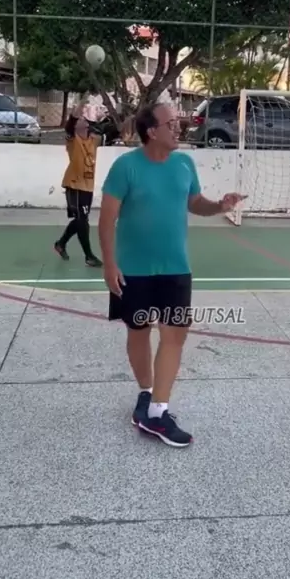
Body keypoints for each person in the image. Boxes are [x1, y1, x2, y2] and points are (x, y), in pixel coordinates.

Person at [98, 101, 245, 448]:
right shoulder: (125, 167)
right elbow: (106, 220)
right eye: (172, 123)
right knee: (138, 332)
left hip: (176, 267)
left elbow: (195, 203)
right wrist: (109, 264)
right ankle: (146, 393)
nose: (179, 127)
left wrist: (220, 206)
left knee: (175, 335)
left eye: (178, 122)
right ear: (152, 131)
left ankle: (157, 411)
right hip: (133, 270)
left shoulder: (184, 164)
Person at [54, 96, 103, 267]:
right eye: (80, 118)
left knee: (81, 220)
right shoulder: (73, 140)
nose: (83, 119)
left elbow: (113, 130)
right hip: (74, 184)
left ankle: (61, 243)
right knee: (82, 221)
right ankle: (89, 256)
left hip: (87, 187)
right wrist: (81, 103)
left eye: (84, 118)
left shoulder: (94, 140)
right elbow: (71, 122)